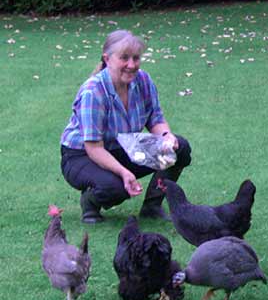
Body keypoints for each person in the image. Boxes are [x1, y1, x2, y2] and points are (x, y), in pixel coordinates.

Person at [60, 30, 191, 223]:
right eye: (124, 58)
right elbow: (94, 148)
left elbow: (155, 118)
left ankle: (152, 206)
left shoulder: (143, 80)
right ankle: (90, 202)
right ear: (107, 58)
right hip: (82, 155)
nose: (131, 65)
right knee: (115, 188)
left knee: (179, 148)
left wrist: (166, 136)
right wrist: (124, 172)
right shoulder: (93, 91)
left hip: (123, 146)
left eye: (136, 58)